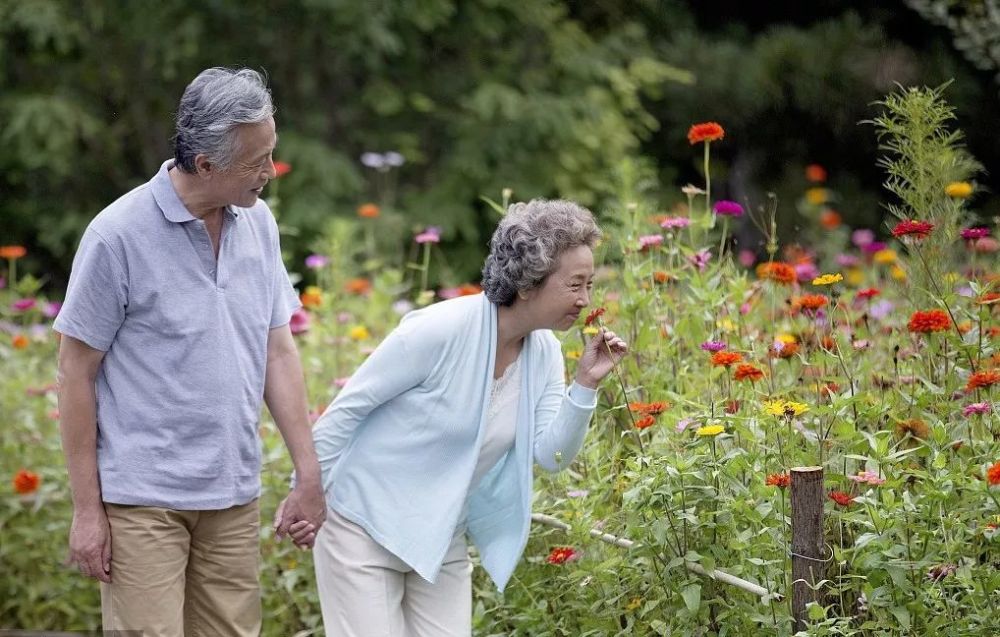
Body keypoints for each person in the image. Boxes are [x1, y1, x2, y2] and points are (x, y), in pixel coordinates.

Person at [54, 67, 325, 637]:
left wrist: (308, 473)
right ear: (206, 164)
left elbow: (277, 350)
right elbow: (75, 372)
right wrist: (86, 511)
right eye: (256, 162)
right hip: (141, 501)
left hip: (231, 493)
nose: (270, 174)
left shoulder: (259, 224)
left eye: (271, 154)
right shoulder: (116, 236)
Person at [311, 199, 627, 636]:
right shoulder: (437, 329)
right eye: (575, 285)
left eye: (589, 284)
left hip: (439, 537)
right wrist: (307, 495)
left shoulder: (545, 353)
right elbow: (342, 415)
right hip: (362, 528)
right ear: (529, 282)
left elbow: (551, 455)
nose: (586, 300)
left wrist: (586, 385)